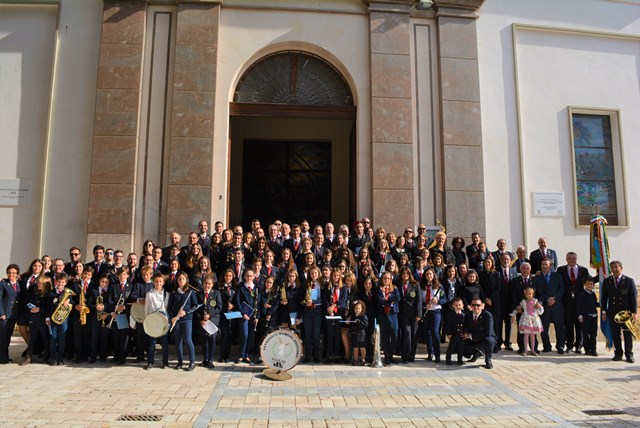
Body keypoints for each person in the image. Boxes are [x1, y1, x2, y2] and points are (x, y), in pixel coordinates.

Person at [601, 260, 637, 363]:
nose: (614, 269)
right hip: (612, 311)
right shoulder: (608, 281)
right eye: (612, 267)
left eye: (616, 267)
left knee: (627, 334)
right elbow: (604, 298)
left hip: (626, 313)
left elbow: (633, 298)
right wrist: (604, 311)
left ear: (621, 268)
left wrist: (634, 313)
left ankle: (629, 355)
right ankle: (618, 354)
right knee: (615, 334)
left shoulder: (629, 281)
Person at [556, 252, 590, 353]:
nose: (572, 260)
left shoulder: (583, 270)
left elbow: (590, 281)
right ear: (566, 259)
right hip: (566, 303)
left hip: (579, 303)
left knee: (579, 325)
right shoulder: (561, 270)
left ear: (576, 259)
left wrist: (601, 274)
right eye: (570, 258)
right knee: (568, 325)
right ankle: (569, 345)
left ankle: (579, 345)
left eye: (574, 258)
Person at [169, 272, 199, 371]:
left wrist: (186, 312)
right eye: (179, 279)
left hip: (187, 320)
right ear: (177, 280)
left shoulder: (190, 292)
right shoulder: (174, 293)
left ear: (186, 280)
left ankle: (192, 361)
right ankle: (180, 362)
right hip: (177, 320)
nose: (181, 281)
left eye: (183, 279)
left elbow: (195, 306)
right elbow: (169, 308)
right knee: (178, 342)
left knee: (188, 340)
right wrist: (172, 317)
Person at [535, 259, 566, 354]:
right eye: (543, 264)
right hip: (545, 306)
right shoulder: (538, 278)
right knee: (544, 328)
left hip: (557, 306)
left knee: (559, 327)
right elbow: (538, 291)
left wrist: (555, 299)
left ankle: (560, 346)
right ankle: (546, 346)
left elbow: (562, 288)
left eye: (546, 265)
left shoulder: (557, 276)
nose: (544, 266)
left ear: (550, 266)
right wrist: (547, 299)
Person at [20, 276, 51, 365]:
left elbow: (49, 308)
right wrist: (30, 308)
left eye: (40, 283)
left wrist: (40, 309)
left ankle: (46, 357)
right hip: (33, 319)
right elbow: (28, 303)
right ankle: (28, 357)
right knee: (32, 338)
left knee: (45, 338)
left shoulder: (48, 295)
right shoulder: (35, 294)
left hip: (43, 320)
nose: (38, 284)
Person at [144, 273, 170, 369]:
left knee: (164, 343)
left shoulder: (167, 294)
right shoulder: (149, 294)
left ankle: (165, 362)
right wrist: (147, 322)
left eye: (160, 281)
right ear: (153, 282)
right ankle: (150, 362)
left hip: (163, 322)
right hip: (152, 321)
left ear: (163, 282)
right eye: (156, 281)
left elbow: (167, 309)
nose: (158, 283)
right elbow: (146, 309)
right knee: (152, 343)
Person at [47, 272, 73, 365]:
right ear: (56, 282)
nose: (60, 284)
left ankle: (60, 358)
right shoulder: (51, 293)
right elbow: (47, 306)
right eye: (59, 282)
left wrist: (69, 302)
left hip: (64, 320)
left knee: (62, 338)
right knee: (53, 338)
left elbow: (73, 304)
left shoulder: (68, 294)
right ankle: (53, 357)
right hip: (53, 319)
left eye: (63, 282)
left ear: (65, 283)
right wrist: (47, 318)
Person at [108, 267, 133, 365]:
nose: (122, 276)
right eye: (120, 275)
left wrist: (124, 307)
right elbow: (109, 300)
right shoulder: (114, 287)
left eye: (124, 274)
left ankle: (122, 357)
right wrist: (113, 309)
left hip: (124, 315)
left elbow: (131, 300)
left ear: (127, 275)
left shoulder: (130, 286)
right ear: (117, 276)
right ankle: (116, 355)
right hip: (115, 314)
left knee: (124, 337)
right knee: (116, 337)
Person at [463, 297, 497, 369]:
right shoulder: (467, 315)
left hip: (485, 338)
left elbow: (488, 332)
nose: (476, 307)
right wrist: (465, 333)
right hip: (472, 338)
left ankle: (488, 360)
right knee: (457, 343)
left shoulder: (488, 316)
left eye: (478, 305)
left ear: (482, 306)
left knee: (488, 341)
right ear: (470, 306)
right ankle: (476, 353)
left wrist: (471, 335)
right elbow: (465, 327)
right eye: (473, 305)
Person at [197, 275, 222, 369]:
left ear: (212, 284)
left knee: (212, 338)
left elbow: (219, 307)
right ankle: (205, 359)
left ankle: (210, 360)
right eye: (205, 283)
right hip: (202, 321)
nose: (207, 285)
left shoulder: (216, 293)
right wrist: (200, 319)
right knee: (203, 340)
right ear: (203, 283)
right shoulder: (198, 294)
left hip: (213, 320)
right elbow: (196, 308)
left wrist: (210, 315)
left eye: (209, 284)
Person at [235, 268, 260, 364]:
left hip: (253, 316)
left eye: (251, 276)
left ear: (254, 277)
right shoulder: (241, 288)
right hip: (244, 316)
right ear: (244, 277)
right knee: (244, 334)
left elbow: (258, 304)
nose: (249, 277)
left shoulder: (256, 288)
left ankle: (247, 355)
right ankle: (241, 355)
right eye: (247, 276)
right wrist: (243, 313)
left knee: (251, 335)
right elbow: (237, 302)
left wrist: (257, 317)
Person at [510, 287, 544, 356]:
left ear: (533, 294)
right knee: (526, 335)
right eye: (527, 294)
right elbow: (517, 309)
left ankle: (533, 350)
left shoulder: (535, 301)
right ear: (525, 294)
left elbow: (541, 311)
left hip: (534, 321)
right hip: (526, 321)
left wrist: (540, 307)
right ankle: (525, 350)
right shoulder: (523, 302)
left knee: (532, 336)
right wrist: (513, 315)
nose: (529, 295)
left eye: (530, 294)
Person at [376, 271, 400, 365]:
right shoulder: (379, 289)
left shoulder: (394, 288)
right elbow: (379, 300)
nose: (387, 280)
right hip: (383, 315)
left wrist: (388, 300)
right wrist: (388, 301)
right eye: (385, 278)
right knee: (385, 337)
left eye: (388, 278)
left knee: (394, 335)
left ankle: (391, 355)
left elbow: (397, 297)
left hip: (393, 314)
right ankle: (386, 356)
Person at [421, 268, 444, 363]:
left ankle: (437, 354)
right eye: (426, 275)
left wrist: (437, 301)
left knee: (435, 332)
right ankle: (430, 353)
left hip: (436, 312)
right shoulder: (422, 286)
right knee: (427, 333)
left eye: (430, 274)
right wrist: (424, 305)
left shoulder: (439, 286)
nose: (429, 276)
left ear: (433, 275)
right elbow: (419, 300)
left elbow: (444, 299)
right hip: (426, 311)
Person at [302, 266, 324, 363]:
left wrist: (313, 301)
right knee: (307, 334)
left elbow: (324, 298)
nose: (314, 275)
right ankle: (307, 356)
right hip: (307, 311)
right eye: (312, 273)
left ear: (318, 274)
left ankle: (316, 356)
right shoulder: (306, 284)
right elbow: (301, 297)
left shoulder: (322, 284)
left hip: (317, 310)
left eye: (315, 273)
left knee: (316, 334)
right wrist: (305, 301)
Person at [89, 274, 111, 363]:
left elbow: (110, 303)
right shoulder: (94, 291)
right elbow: (89, 304)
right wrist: (96, 307)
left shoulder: (109, 292)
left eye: (106, 283)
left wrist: (104, 308)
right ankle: (93, 356)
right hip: (95, 317)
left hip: (105, 317)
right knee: (94, 337)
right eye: (102, 282)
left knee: (104, 337)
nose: (104, 284)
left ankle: (103, 356)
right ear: (99, 281)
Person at [217, 269, 237, 363]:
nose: (228, 278)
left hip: (233, 314)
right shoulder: (220, 287)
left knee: (230, 334)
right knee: (224, 334)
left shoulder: (235, 288)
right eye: (226, 276)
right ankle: (222, 355)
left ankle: (227, 355)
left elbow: (238, 300)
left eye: (230, 276)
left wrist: (233, 306)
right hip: (223, 314)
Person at [576, 277, 599, 357]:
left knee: (593, 334)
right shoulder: (582, 294)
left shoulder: (593, 294)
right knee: (586, 334)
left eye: (591, 284)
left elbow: (595, 304)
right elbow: (578, 305)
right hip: (586, 316)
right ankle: (587, 349)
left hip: (594, 316)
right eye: (588, 284)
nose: (589, 285)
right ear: (585, 285)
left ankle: (593, 349)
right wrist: (580, 315)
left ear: (593, 285)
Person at [445, 297, 465, 365]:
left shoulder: (464, 315)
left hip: (461, 334)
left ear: (462, 305)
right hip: (453, 334)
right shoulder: (450, 315)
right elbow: (448, 325)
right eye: (456, 305)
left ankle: (460, 359)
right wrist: (449, 334)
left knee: (461, 347)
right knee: (451, 347)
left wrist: (465, 333)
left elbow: (466, 325)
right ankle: (448, 359)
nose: (458, 306)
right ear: (453, 306)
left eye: (459, 305)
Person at [348, 300, 368, 366]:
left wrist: (359, 321)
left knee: (362, 347)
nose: (357, 310)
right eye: (356, 308)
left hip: (361, 334)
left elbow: (365, 325)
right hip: (354, 334)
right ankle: (355, 360)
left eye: (359, 308)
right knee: (355, 347)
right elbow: (351, 324)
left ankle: (363, 359)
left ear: (362, 309)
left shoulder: (363, 316)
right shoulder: (353, 316)